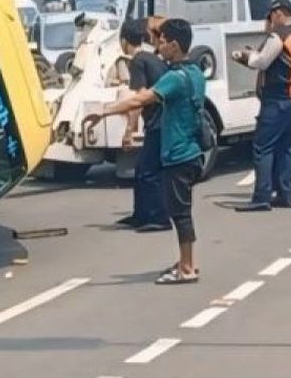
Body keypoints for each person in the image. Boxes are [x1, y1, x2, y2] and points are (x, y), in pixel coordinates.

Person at [84, 19, 206, 284]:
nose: (158, 45)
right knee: (181, 211)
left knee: (180, 214)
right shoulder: (195, 72)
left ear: (174, 44)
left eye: (162, 41)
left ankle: (187, 268)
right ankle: (187, 261)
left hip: (178, 152)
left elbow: (141, 98)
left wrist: (104, 111)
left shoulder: (175, 78)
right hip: (192, 150)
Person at [232, 0, 291, 212]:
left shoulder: (279, 36)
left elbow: (262, 62)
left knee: (262, 146)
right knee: (287, 145)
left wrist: (244, 56)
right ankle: (285, 194)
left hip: (278, 97)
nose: (269, 20)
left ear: (278, 14)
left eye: (270, 16)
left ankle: (261, 197)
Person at [114, 19, 170, 232]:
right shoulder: (153, 58)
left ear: (123, 41)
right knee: (142, 170)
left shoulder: (137, 61)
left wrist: (129, 130)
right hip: (163, 119)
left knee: (148, 171)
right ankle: (141, 214)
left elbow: (139, 98)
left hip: (157, 122)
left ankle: (158, 217)